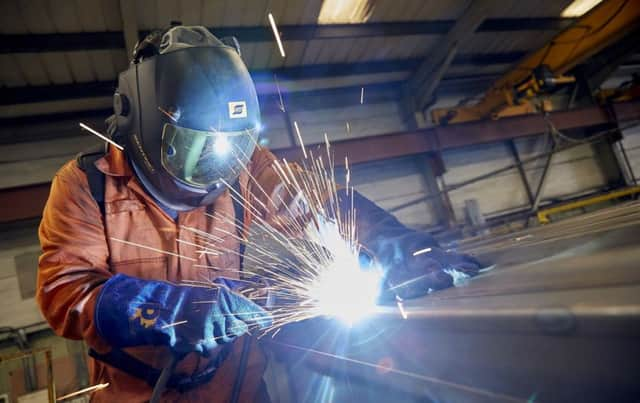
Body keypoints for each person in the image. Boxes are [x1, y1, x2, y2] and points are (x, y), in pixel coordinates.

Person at [37, 25, 481, 402]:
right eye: (196, 147)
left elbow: (318, 202)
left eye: (229, 148)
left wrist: (397, 243)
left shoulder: (243, 166)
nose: (215, 169)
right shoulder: (84, 185)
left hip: (239, 389)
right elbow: (65, 293)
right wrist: (173, 309)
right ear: (147, 128)